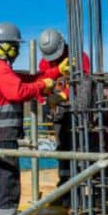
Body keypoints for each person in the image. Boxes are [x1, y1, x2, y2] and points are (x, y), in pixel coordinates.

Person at [0, 22, 66, 215]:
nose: (17, 51)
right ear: (4, 46)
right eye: (15, 46)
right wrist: (43, 85)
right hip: (1, 136)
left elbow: (29, 79)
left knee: (2, 186)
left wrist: (56, 72)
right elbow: (17, 92)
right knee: (8, 186)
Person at [38, 28, 90, 204]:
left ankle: (80, 193)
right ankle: (64, 190)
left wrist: (64, 94)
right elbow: (40, 82)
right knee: (62, 151)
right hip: (59, 112)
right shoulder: (45, 62)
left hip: (78, 111)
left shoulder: (79, 57)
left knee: (80, 149)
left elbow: (85, 84)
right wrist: (45, 99)